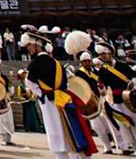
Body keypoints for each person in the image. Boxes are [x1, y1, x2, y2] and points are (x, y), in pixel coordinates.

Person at [23, 28, 97, 159]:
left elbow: (29, 83)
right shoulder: (57, 63)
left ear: (36, 44)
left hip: (50, 102)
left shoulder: (34, 64)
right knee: (70, 129)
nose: (28, 48)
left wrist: (43, 93)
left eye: (29, 44)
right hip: (64, 99)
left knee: (56, 134)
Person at [97, 40, 136, 159]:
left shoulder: (122, 66)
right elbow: (103, 87)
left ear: (110, 53)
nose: (103, 56)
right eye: (100, 54)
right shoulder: (102, 70)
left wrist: (133, 83)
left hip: (131, 100)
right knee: (125, 128)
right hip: (116, 102)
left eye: (105, 53)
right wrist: (101, 89)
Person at [74, 51, 116, 153]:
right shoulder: (79, 73)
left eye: (89, 61)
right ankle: (107, 147)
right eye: (85, 61)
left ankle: (123, 146)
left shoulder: (96, 73)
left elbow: (102, 84)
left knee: (110, 123)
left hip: (101, 100)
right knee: (97, 126)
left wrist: (102, 89)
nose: (87, 63)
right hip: (90, 103)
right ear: (82, 62)